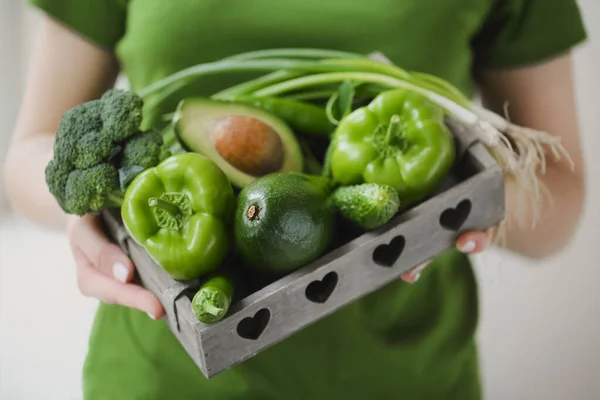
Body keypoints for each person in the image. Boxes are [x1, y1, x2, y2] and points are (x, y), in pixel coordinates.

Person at [3, 0, 587, 398]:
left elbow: (559, 195)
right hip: (162, 379)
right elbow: (29, 153)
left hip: (403, 376)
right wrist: (87, 220)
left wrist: (462, 209)